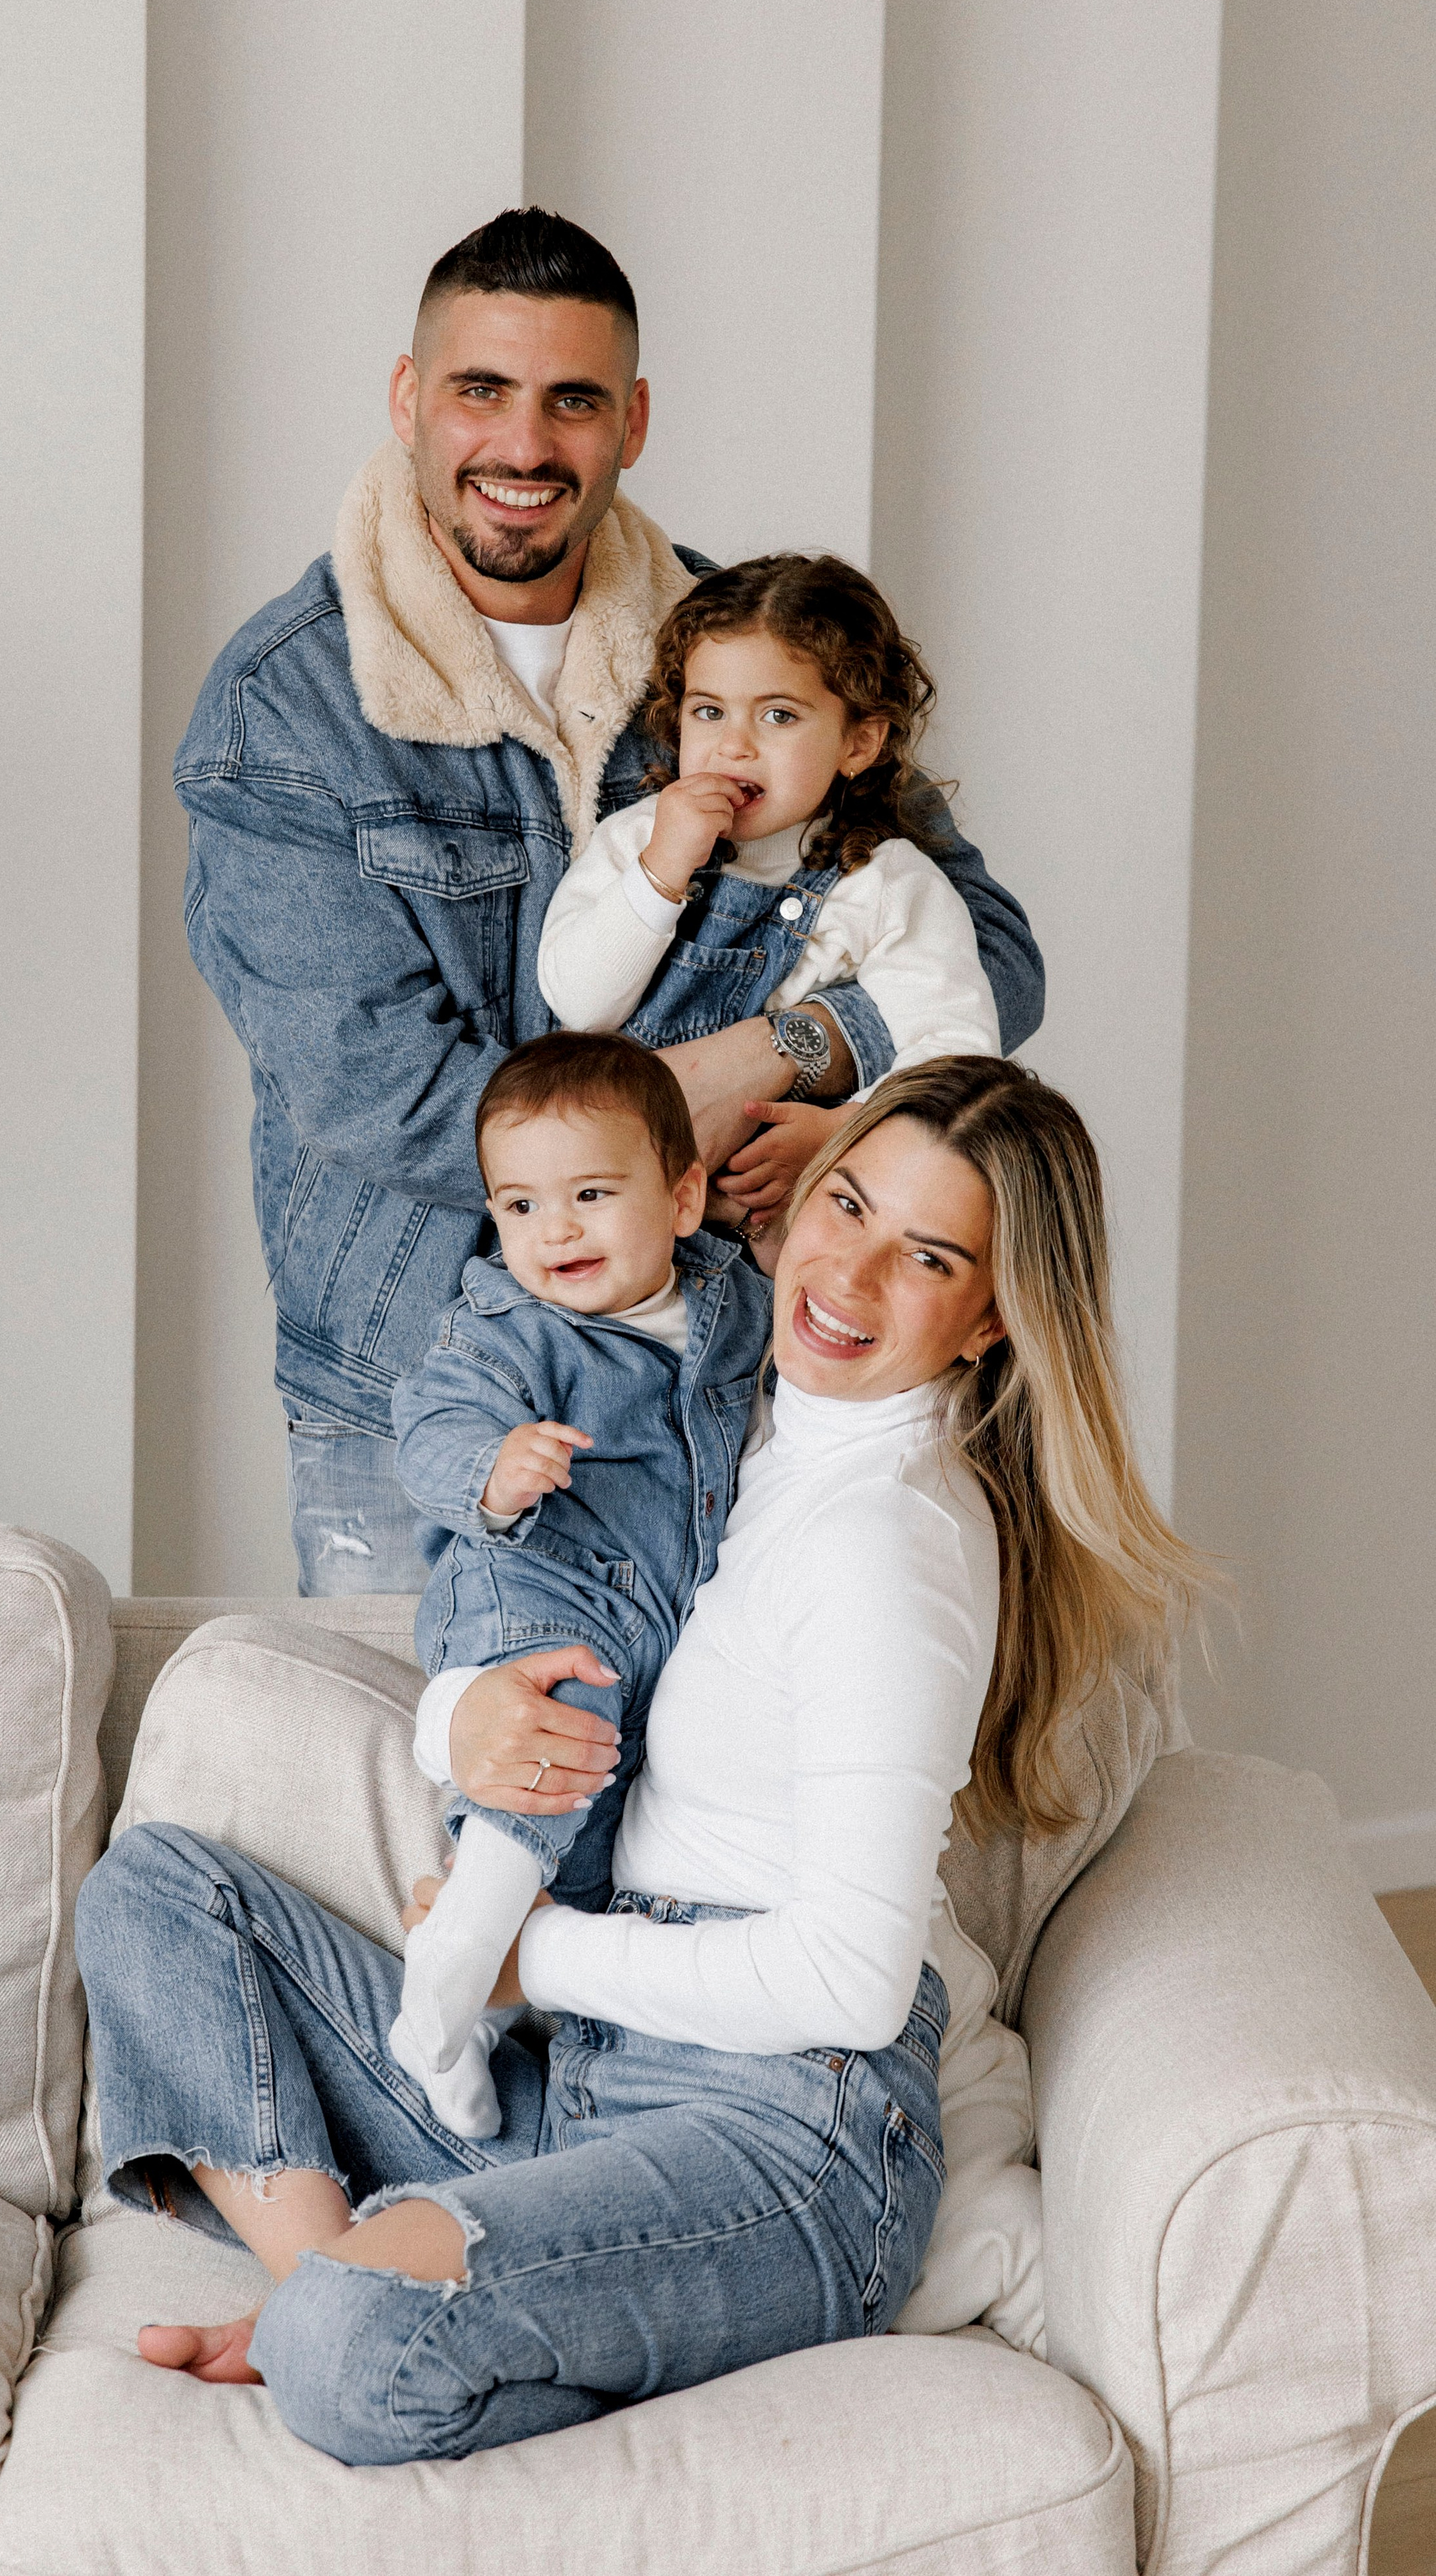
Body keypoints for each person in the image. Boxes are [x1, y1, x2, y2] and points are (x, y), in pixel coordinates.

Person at [75, 1055, 1204, 2463]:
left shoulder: (885, 1548)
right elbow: (570, 1626)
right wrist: (455, 1723)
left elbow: (847, 1984)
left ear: (987, 1320)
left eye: (925, 1255)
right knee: (158, 1898)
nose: (845, 1273)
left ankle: (349, 2319)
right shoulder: (735, 1423)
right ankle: (352, 2290)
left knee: (352, 2349)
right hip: (600, 2088)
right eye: (842, 1204)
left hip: (786, 2136)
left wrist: (523, 1961)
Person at [175, 208, 1044, 1594]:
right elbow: (371, 1090)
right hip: (432, 1383)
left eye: (571, 401)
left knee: (724, 1783)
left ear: (630, 421)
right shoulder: (287, 708)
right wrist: (654, 1123)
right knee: (456, 1772)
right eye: (480, 390)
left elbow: (986, 951)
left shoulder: (742, 645)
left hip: (745, 1355)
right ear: (409, 399)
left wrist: (777, 1056)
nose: (523, 447)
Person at [386, 1032, 772, 2137]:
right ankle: (454, 1963)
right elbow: (432, 1425)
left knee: (597, 1837)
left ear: (684, 1197)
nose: (553, 1231)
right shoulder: (509, 1326)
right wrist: (492, 1469)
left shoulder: (732, 1304)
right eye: (518, 1206)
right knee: (565, 1718)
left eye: (592, 1194)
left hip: (659, 1623)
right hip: (536, 1589)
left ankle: (479, 2016)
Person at [539, 553, 999, 1228]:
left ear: (859, 741)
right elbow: (578, 1004)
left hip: (781, 1231)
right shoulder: (641, 838)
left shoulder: (887, 885)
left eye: (778, 716)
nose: (734, 746)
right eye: (708, 711)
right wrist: (661, 871)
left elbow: (954, 1056)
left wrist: (843, 1135)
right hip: (615, 1228)